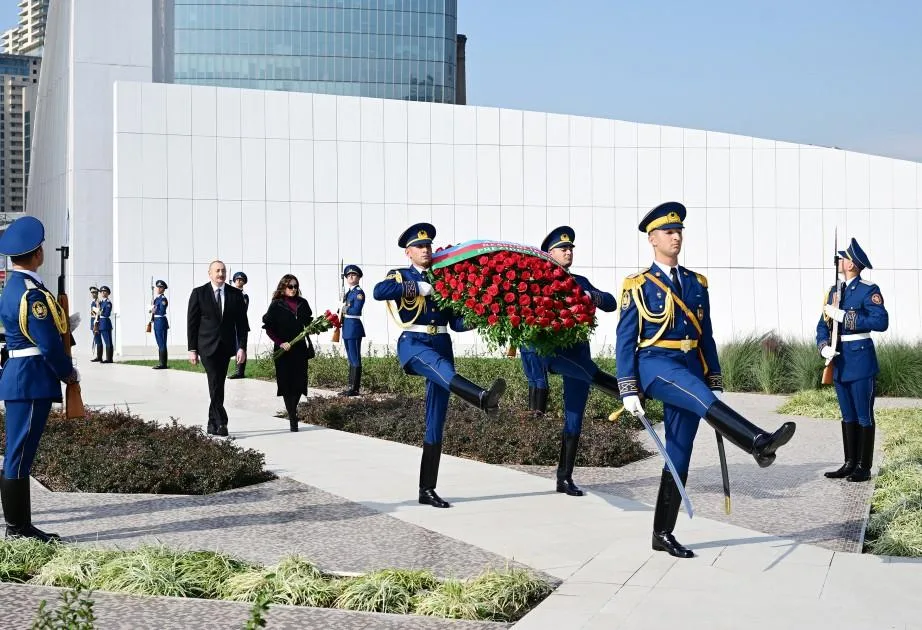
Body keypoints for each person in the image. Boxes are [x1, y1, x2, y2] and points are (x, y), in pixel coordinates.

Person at [615, 201, 797, 559]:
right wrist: (628, 387)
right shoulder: (636, 285)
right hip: (655, 364)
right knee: (698, 396)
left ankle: (661, 532)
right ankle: (757, 442)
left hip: (690, 364)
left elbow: (706, 334)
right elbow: (625, 339)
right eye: (669, 231)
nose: (676, 236)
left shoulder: (696, 283)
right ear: (652, 239)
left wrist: (714, 374)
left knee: (679, 452)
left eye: (679, 230)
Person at [373, 222, 507, 509]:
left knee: (436, 422)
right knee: (443, 370)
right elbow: (379, 291)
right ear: (408, 252)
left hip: (442, 342)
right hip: (414, 343)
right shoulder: (401, 275)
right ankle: (481, 398)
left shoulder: (444, 280)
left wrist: (481, 313)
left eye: (428, 245)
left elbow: (456, 324)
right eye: (420, 246)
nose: (426, 250)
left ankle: (427, 489)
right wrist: (415, 287)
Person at [0, 216, 80, 541]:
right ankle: (18, 529)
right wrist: (68, 373)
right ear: (37, 254)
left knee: (19, 453)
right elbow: (45, 344)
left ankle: (21, 526)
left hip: (21, 377)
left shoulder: (14, 287)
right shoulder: (31, 293)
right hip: (31, 379)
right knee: (19, 455)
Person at [527, 226, 619, 497]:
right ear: (549, 253)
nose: (568, 252)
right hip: (554, 354)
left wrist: (593, 297)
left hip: (580, 352)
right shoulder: (537, 281)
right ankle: (628, 392)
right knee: (588, 373)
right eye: (562, 248)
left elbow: (611, 303)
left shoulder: (580, 281)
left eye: (570, 248)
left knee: (575, 417)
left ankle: (564, 478)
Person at [816, 237, 888, 483]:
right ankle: (849, 463)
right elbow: (822, 326)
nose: (839, 261)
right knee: (847, 415)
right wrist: (824, 347)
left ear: (852, 264)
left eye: (843, 258)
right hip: (839, 360)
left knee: (863, 415)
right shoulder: (834, 292)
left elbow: (881, 322)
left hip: (860, 359)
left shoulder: (869, 290)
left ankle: (863, 467)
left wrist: (845, 316)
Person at [187, 260, 250, 436]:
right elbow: (192, 323)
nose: (220, 274)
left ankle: (211, 423)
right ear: (210, 273)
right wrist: (192, 349)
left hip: (225, 347)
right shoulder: (199, 293)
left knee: (218, 383)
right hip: (205, 346)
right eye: (217, 271)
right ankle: (222, 421)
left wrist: (241, 348)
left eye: (223, 271)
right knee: (214, 381)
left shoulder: (235, 294)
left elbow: (242, 325)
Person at [262, 274, 314, 432]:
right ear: (283, 287)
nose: (293, 289)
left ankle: (292, 411)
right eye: (290, 286)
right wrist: (280, 343)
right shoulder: (277, 305)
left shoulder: (302, 303)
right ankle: (293, 416)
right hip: (283, 351)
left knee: (299, 383)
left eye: (295, 286)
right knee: (286, 384)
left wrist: (313, 327)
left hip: (299, 350)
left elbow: (309, 322)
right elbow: (268, 329)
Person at [339, 264, 365, 396]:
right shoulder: (348, 293)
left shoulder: (358, 293)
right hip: (347, 328)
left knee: (355, 358)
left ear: (358, 277)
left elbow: (356, 310)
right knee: (350, 358)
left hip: (354, 327)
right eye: (348, 275)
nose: (350, 277)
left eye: (353, 275)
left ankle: (354, 388)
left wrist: (344, 308)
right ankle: (350, 387)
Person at [228, 271, 250, 379]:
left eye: (241, 280)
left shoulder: (244, 296)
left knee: (241, 348)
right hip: (231, 325)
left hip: (241, 325)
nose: (238, 281)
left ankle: (240, 372)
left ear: (244, 282)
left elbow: (242, 310)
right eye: (236, 280)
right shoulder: (229, 294)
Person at [150, 279, 169, 370]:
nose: (158, 288)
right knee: (159, 343)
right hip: (157, 322)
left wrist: (154, 309)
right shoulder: (157, 299)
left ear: (163, 289)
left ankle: (163, 364)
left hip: (161, 322)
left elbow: (161, 311)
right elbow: (153, 311)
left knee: (162, 343)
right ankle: (161, 362)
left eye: (160, 287)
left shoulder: (163, 299)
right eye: (157, 287)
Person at [97, 285, 114, 363]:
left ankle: (109, 359)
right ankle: (106, 358)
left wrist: (99, 311)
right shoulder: (101, 302)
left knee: (108, 341)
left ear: (108, 293)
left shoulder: (108, 303)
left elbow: (107, 314)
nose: (103, 293)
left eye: (104, 291)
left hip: (105, 323)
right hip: (101, 323)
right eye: (101, 292)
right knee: (104, 341)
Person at [89, 285, 101, 360]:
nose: (93, 294)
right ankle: (98, 356)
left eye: (94, 292)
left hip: (96, 323)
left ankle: (99, 357)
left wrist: (96, 325)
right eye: (92, 292)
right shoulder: (93, 302)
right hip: (92, 321)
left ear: (97, 293)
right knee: (96, 340)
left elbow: (98, 314)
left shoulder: (97, 302)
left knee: (98, 339)